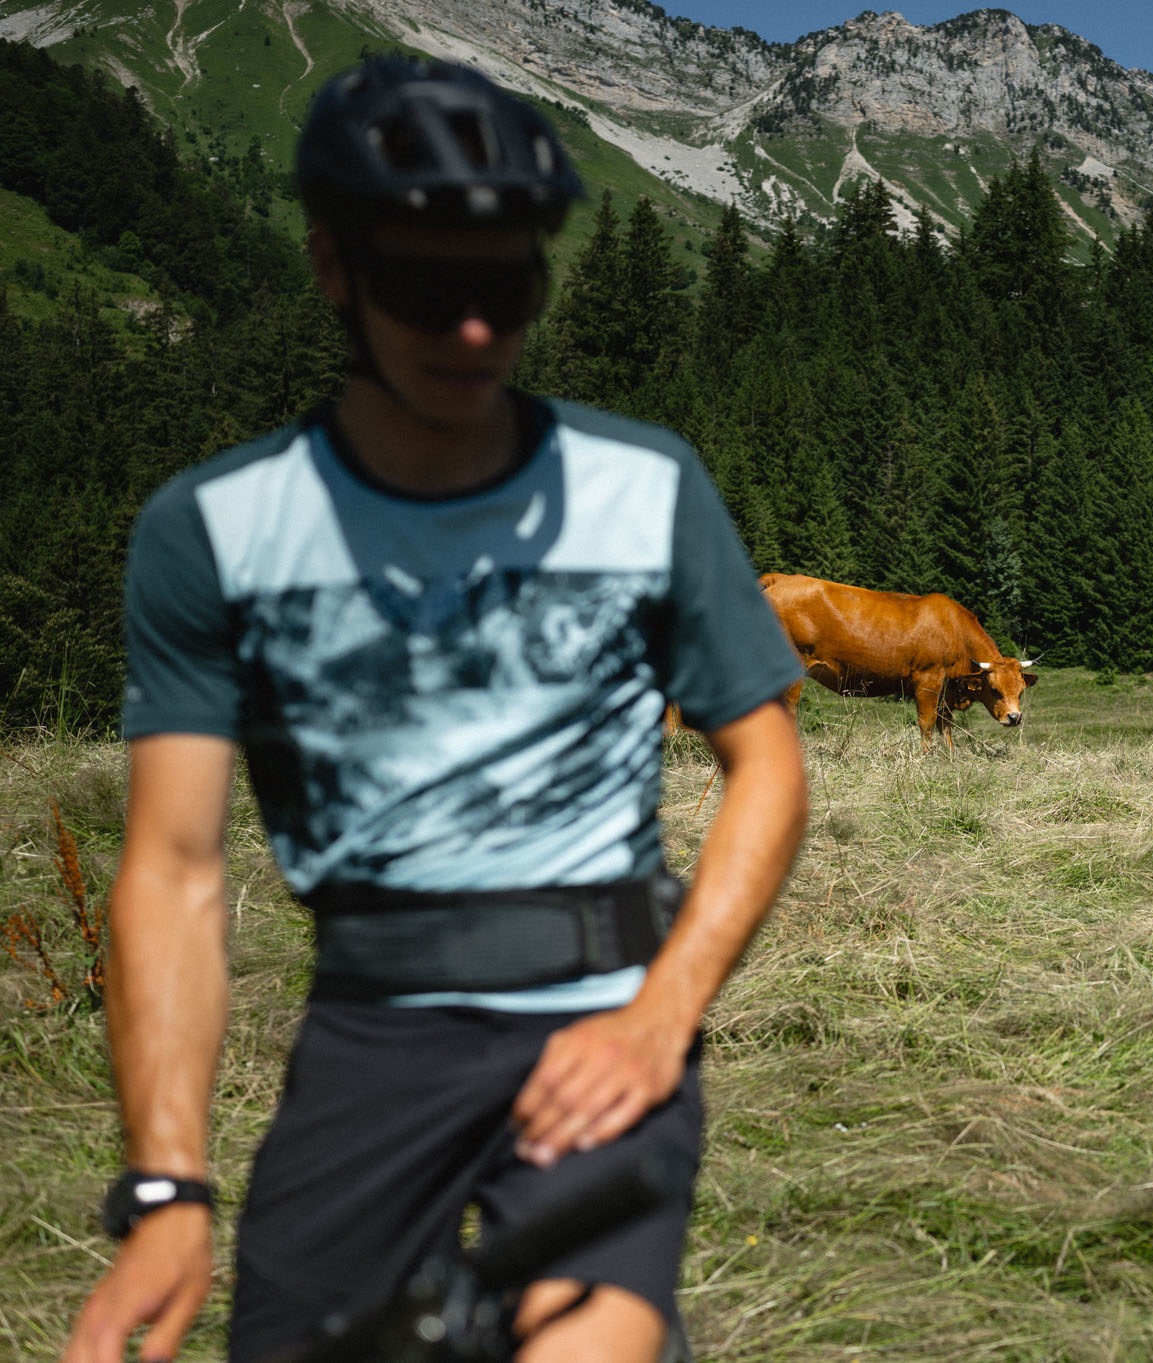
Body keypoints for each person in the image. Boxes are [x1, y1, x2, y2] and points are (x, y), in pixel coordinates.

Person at [61, 56, 806, 1363]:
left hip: (603, 999)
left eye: (506, 285)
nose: (473, 330)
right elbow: (172, 867)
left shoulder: (645, 487)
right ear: (335, 267)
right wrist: (167, 1185)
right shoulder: (216, 529)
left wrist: (662, 1012)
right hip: (369, 1028)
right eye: (425, 284)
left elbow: (767, 764)